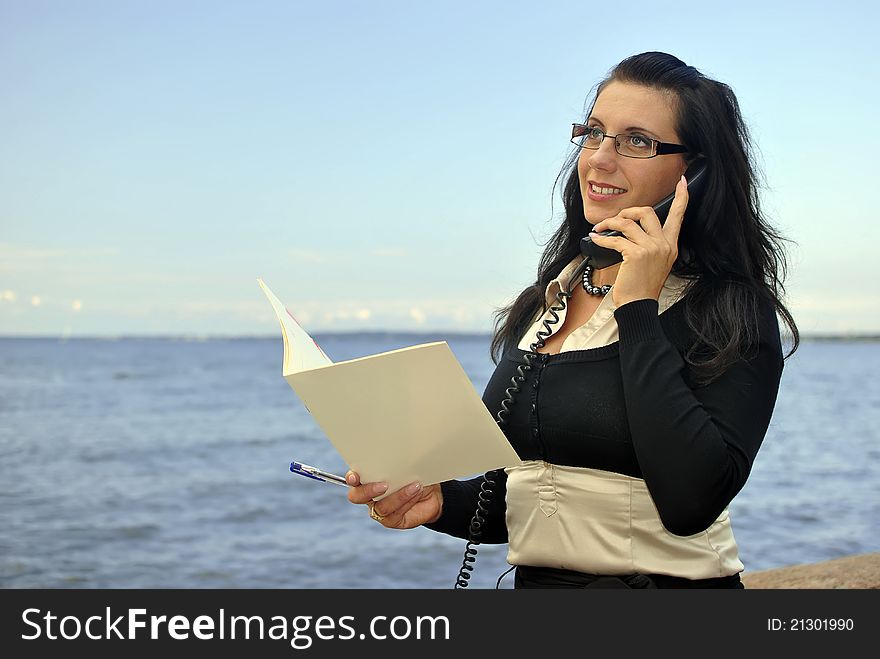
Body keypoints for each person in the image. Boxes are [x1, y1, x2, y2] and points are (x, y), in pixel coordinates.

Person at [345, 51, 799, 588]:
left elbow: (690, 502)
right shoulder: (548, 298)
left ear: (693, 173)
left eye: (636, 142)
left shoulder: (729, 313)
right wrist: (438, 502)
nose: (600, 160)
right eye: (594, 133)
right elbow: (522, 501)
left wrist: (637, 309)